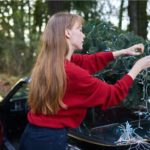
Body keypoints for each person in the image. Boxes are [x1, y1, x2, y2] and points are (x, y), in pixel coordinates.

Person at [19, 12, 150, 150]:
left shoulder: (52, 62)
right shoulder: (71, 72)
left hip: (32, 134)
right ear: (67, 33)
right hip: (49, 141)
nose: (84, 35)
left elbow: (89, 60)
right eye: (80, 30)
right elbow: (112, 94)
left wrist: (123, 51)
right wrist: (138, 67)